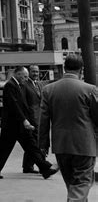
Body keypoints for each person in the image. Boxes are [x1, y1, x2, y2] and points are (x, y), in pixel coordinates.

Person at [39, 55, 98, 202]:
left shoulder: (48, 90)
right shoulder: (89, 89)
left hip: (61, 146)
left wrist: (43, 144)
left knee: (72, 185)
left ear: (64, 68)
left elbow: (43, 120)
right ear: (81, 69)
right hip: (85, 145)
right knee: (81, 184)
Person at [0, 66, 58, 180]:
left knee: (31, 146)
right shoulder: (10, 86)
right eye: (24, 76)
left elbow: (23, 105)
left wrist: (27, 120)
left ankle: (45, 168)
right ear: (18, 74)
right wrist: (24, 120)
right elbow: (14, 106)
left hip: (20, 124)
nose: (26, 78)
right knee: (3, 149)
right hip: (11, 125)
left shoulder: (19, 86)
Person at [22, 65, 43, 174]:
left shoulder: (38, 84)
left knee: (32, 143)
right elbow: (24, 103)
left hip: (39, 117)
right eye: (33, 71)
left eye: (37, 72)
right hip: (31, 118)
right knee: (34, 143)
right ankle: (41, 165)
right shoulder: (25, 85)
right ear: (29, 72)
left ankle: (27, 166)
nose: (35, 74)